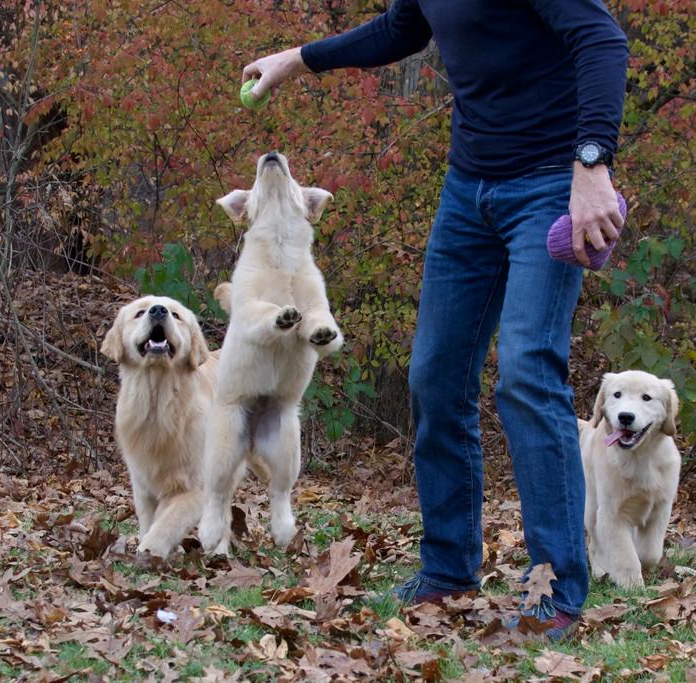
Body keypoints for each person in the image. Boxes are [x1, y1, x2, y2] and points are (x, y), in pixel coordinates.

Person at [243, 0, 628, 640]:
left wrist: (591, 167)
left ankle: (555, 591)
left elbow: (602, 42)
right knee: (434, 378)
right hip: (469, 189)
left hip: (549, 186)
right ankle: (448, 569)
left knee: (528, 371)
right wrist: (299, 58)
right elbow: (401, 28)